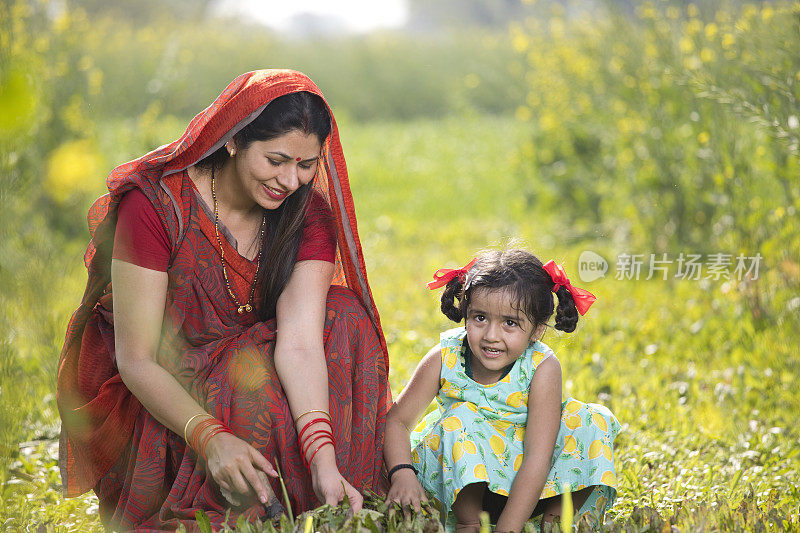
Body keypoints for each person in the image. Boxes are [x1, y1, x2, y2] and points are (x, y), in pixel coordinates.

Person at [56, 70, 391, 531]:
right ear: (232, 140)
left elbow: (299, 342)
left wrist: (323, 460)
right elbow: (135, 359)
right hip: (171, 399)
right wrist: (212, 440)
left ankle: (325, 488)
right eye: (276, 160)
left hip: (255, 374)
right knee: (249, 377)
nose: (290, 181)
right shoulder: (155, 206)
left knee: (344, 316)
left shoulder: (307, 213)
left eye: (307, 165)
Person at [384, 249, 620, 532]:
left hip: (528, 486)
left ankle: (554, 523)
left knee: (591, 418)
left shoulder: (541, 367)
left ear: (537, 330)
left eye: (510, 323)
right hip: (456, 483)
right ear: (465, 313)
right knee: (459, 416)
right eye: (480, 318)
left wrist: (508, 528)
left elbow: (538, 457)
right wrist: (402, 474)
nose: (491, 335)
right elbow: (397, 421)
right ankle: (467, 525)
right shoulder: (445, 356)